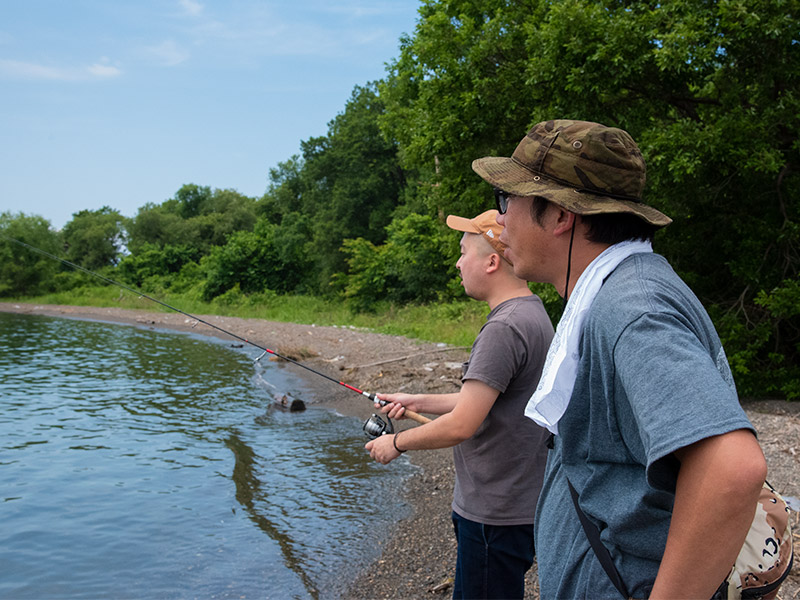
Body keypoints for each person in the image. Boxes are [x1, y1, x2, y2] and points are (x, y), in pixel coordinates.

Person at [471, 119, 768, 599]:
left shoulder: (633, 309)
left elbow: (732, 467)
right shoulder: (620, 290)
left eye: (509, 200)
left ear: (561, 214)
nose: (499, 219)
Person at [365, 209, 554, 600]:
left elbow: (462, 424)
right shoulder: (531, 313)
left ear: (491, 261)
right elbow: (485, 400)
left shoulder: (503, 328)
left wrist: (395, 444)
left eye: (464, 251)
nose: (457, 262)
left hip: (494, 511)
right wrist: (416, 400)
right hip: (518, 501)